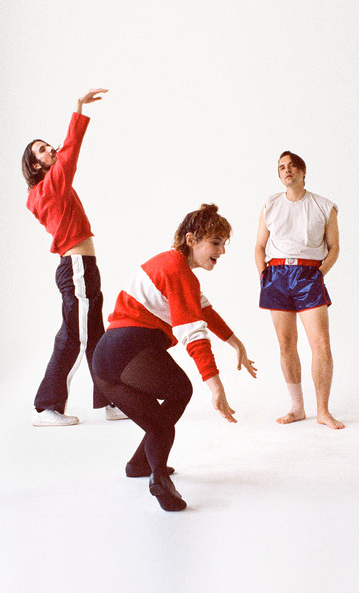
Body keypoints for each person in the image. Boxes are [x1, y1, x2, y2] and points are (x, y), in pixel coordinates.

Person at [92, 204, 257, 512]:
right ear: (191, 239)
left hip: (108, 362)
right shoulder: (176, 270)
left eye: (224, 243)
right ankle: (159, 480)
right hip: (127, 350)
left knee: (163, 415)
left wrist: (236, 343)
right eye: (216, 243)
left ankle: (140, 463)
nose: (222, 251)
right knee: (170, 409)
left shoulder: (175, 267)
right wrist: (216, 387)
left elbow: (203, 310)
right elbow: (194, 334)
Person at [22, 88, 123, 426]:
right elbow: (71, 150)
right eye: (42, 149)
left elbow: (65, 155)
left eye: (49, 145)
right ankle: (45, 408)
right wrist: (78, 108)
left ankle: (111, 402)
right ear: (35, 164)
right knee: (73, 339)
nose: (51, 149)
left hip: (84, 268)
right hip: (76, 268)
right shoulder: (50, 187)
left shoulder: (50, 187)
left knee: (96, 339)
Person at [255, 151, 344, 430]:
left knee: (321, 343)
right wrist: (264, 276)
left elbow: (334, 248)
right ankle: (297, 407)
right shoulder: (270, 204)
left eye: (292, 166)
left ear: (303, 172)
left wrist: (318, 274)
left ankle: (323, 411)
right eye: (282, 167)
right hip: (276, 275)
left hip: (309, 274)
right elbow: (259, 246)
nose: (287, 170)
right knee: (286, 344)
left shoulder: (324, 205)